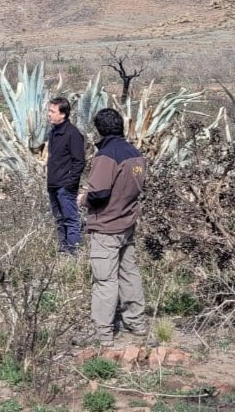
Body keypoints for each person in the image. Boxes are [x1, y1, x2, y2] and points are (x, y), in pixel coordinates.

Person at [78, 108, 148, 346]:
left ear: (99, 129)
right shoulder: (135, 154)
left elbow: (99, 193)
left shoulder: (106, 156)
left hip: (107, 226)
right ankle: (137, 323)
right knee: (130, 274)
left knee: (105, 280)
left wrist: (83, 199)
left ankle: (103, 333)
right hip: (127, 223)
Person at [46, 97, 86, 254]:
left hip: (64, 187)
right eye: (49, 111)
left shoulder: (72, 134)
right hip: (53, 185)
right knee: (59, 220)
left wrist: (69, 184)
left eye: (52, 111)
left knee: (70, 219)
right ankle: (63, 253)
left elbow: (79, 162)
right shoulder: (54, 133)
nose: (49, 114)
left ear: (62, 114)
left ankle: (73, 254)